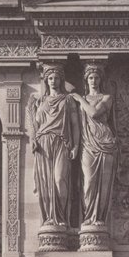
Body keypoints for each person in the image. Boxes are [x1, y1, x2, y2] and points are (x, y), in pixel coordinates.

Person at [29, 63, 79, 228]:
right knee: (45, 183)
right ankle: (49, 219)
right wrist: (33, 138)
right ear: (46, 80)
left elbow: (75, 125)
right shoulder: (40, 101)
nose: (53, 81)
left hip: (61, 142)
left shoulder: (68, 100)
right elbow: (35, 124)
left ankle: (60, 218)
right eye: (50, 78)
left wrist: (76, 146)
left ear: (61, 80)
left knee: (59, 180)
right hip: (43, 144)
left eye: (56, 78)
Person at [73, 64, 118, 227]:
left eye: (96, 77)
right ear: (86, 80)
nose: (93, 80)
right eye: (90, 77)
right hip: (87, 144)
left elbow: (94, 113)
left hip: (105, 142)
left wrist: (79, 98)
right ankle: (88, 218)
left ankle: (98, 218)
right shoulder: (83, 100)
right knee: (88, 183)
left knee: (104, 186)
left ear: (101, 80)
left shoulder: (106, 98)